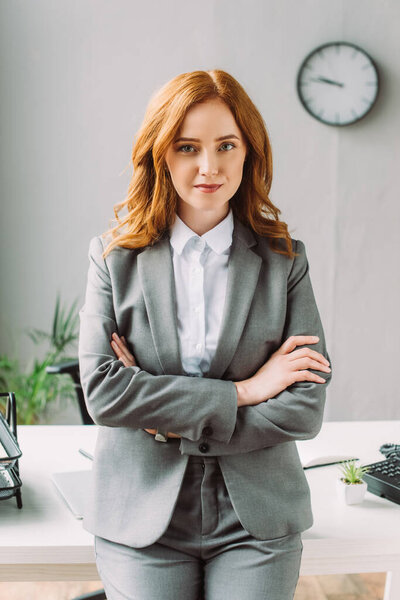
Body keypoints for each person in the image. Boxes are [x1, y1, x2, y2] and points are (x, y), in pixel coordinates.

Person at [78, 69, 332, 600]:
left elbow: (303, 407)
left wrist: (165, 418)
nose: (209, 167)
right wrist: (245, 391)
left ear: (249, 153)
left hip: (256, 519)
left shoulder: (285, 261)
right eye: (188, 147)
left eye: (226, 145)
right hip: (141, 517)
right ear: (162, 154)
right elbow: (104, 393)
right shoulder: (113, 259)